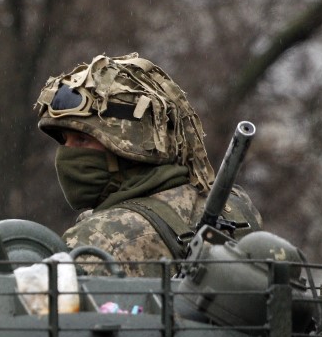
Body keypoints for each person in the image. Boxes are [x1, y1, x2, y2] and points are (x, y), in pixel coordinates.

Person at [34, 53, 262, 276]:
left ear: (127, 147)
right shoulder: (236, 207)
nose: (66, 153)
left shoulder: (98, 239)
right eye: (64, 140)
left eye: (82, 139)